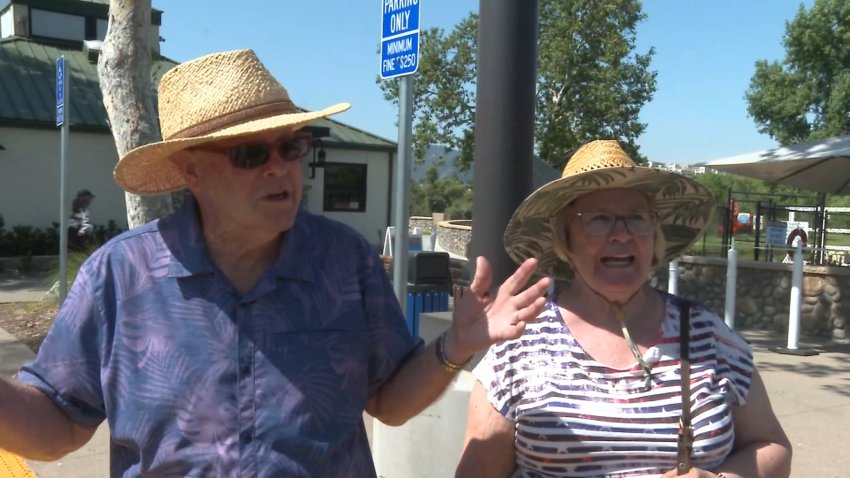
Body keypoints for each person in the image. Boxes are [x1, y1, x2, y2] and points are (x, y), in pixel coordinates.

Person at [0, 49, 551, 476]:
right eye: (251, 154)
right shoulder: (121, 275)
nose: (280, 168)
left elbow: (390, 401)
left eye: (292, 146)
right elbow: (57, 427)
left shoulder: (344, 261)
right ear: (191, 171)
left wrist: (455, 346)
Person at [456, 140, 792, 478]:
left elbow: (773, 446)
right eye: (599, 220)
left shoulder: (707, 333)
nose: (621, 234)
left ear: (654, 234)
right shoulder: (520, 342)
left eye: (636, 218)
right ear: (565, 238)